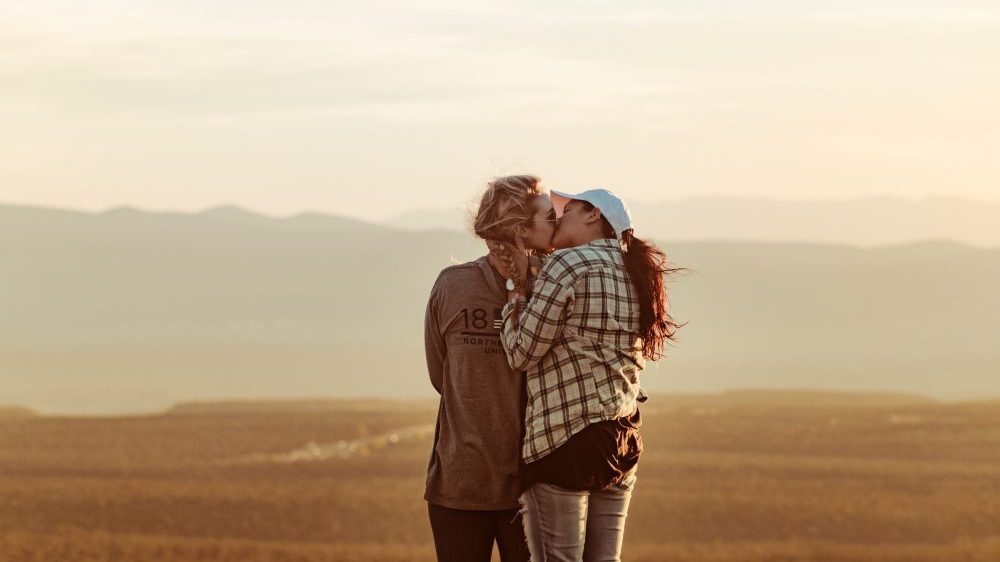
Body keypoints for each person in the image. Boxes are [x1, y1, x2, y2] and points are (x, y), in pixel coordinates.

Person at [499, 188, 682, 562]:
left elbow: (521, 352)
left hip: (564, 438)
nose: (557, 217)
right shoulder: (633, 270)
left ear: (593, 214)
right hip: (621, 438)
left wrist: (516, 299)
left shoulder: (568, 264)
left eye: (566, 210)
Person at [422, 175, 557, 562]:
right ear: (521, 230)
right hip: (461, 486)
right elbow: (441, 376)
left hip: (535, 488)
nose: (558, 223)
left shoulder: (555, 286)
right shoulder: (453, 285)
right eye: (549, 216)